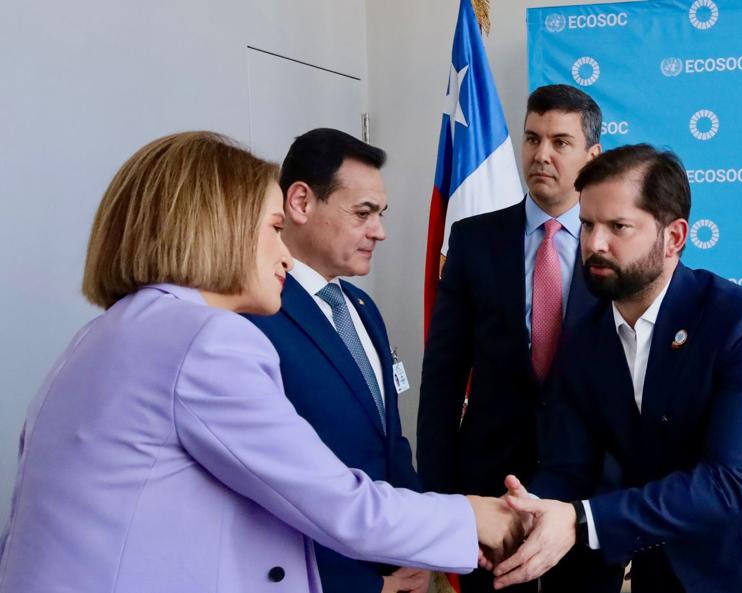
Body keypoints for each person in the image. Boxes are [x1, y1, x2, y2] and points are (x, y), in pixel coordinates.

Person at [0, 131, 519, 593]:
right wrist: (477, 517)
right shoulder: (204, 338)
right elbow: (338, 504)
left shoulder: (102, 334)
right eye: (274, 229)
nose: (285, 255)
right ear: (218, 227)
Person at [491, 144, 742, 593]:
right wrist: (525, 514)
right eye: (587, 224)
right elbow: (570, 465)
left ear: (675, 237)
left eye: (618, 226)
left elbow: (726, 485)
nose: (593, 244)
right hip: (664, 567)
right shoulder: (584, 336)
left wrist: (580, 519)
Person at [417, 84, 617, 593]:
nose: (541, 154)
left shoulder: (618, 247)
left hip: (586, 496)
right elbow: (442, 376)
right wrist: (442, 500)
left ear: (593, 156)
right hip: (489, 493)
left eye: (560, 142)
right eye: (531, 138)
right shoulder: (473, 239)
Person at [245, 128, 430, 593]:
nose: (380, 231)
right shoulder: (253, 313)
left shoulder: (364, 311)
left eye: (381, 214)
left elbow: (391, 444)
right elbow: (271, 488)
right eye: (363, 213)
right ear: (302, 203)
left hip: (392, 563)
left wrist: (421, 540)